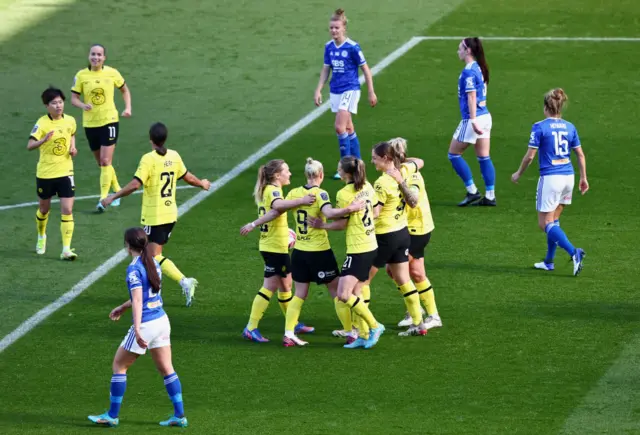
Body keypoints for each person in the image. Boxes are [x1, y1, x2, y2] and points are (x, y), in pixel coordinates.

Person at [242, 158, 364, 346]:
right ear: (321, 175)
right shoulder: (318, 194)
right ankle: (350, 331)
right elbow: (329, 214)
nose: (290, 173)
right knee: (337, 291)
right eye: (287, 170)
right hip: (317, 252)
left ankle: (290, 330)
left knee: (294, 291)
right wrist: (351, 208)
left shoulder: (291, 192)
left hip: (298, 251)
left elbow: (279, 210)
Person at [88, 227, 187, 428]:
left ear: (127, 245)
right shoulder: (153, 262)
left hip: (147, 324)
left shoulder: (134, 268)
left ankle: (112, 415)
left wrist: (137, 328)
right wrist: (124, 307)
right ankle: (179, 416)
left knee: (119, 366)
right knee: (167, 369)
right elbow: (148, 294)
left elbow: (139, 300)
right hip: (162, 321)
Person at [101, 123, 209, 306]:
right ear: (165, 138)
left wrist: (113, 196)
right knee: (153, 255)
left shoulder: (148, 159)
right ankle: (160, 288)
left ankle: (182, 282)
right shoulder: (174, 156)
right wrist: (202, 184)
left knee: (151, 257)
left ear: (151, 140)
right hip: (170, 213)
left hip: (155, 215)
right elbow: (188, 176)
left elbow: (135, 184)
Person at [309, 156, 385, 349]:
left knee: (343, 293)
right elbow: (376, 212)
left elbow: (342, 223)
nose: (337, 170)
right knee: (356, 291)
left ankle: (375, 326)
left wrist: (322, 225)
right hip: (370, 243)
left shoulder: (344, 193)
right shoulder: (367, 186)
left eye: (338, 168)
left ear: (346, 173)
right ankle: (363, 335)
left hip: (358, 248)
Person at [511, 88, 587, 276]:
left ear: (546, 107)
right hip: (569, 177)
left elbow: (530, 156)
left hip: (551, 178)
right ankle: (548, 261)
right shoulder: (570, 127)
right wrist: (584, 178)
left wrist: (518, 173)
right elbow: (580, 154)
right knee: (554, 220)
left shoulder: (540, 126)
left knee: (544, 224)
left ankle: (574, 252)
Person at [240, 159, 316, 343]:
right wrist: (302, 200)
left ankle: (293, 321)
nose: (290, 173)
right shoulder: (273, 190)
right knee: (270, 287)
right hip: (274, 248)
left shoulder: (270, 190)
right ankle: (251, 327)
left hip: (274, 245)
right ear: (277, 175)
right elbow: (277, 208)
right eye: (287, 171)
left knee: (286, 286)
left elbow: (275, 213)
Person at [367, 141, 426, 337]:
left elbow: (376, 213)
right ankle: (418, 323)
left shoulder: (381, 183)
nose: (372, 161)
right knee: (404, 279)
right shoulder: (406, 170)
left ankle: (361, 326)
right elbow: (420, 161)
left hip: (384, 236)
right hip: (402, 233)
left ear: (386, 158)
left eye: (375, 158)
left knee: (361, 282)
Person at [314, 8, 377, 179]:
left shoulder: (352, 47)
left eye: (337, 28)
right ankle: (357, 163)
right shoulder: (329, 47)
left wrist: (371, 92)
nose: (333, 31)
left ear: (344, 28)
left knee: (339, 127)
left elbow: (366, 69)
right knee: (348, 128)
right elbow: (326, 69)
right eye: (331, 28)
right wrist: (319, 89)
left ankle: (345, 167)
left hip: (350, 89)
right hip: (335, 90)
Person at [386, 138, 442, 330]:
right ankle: (421, 312)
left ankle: (423, 312)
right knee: (416, 272)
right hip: (406, 228)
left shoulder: (412, 176)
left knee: (399, 270)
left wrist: (400, 179)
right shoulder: (401, 170)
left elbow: (414, 200)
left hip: (417, 229)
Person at [71, 43, 132, 212]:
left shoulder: (112, 73)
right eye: (93, 54)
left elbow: (125, 90)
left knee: (106, 161)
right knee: (102, 163)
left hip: (109, 121)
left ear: (104, 57)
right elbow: (73, 98)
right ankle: (117, 191)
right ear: (89, 56)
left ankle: (103, 198)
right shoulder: (81, 75)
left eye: (99, 55)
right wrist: (83, 105)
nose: (96, 57)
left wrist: (127, 108)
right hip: (90, 124)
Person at [28, 86, 78, 260]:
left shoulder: (70, 120)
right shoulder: (42, 123)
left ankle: (66, 249)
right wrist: (43, 140)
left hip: (65, 171)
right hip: (46, 173)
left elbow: (72, 133)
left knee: (67, 209)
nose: (58, 106)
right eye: (54, 103)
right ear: (46, 106)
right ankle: (41, 236)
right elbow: (30, 145)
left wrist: (73, 147)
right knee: (44, 209)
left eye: (60, 102)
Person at [447, 37, 496, 207]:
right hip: (486, 116)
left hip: (473, 119)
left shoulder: (468, 71)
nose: (458, 51)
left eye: (460, 48)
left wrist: (473, 120)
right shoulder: (480, 68)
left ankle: (472, 191)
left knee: (453, 154)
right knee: (483, 157)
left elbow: (471, 95)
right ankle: (490, 195)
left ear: (468, 50)